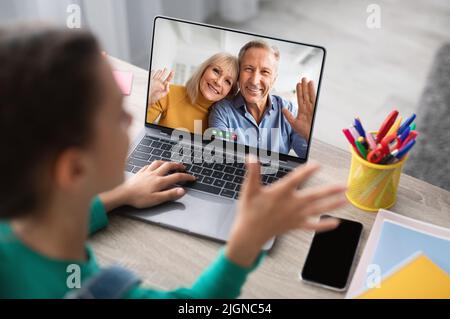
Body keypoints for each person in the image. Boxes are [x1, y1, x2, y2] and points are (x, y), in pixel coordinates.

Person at [0, 26, 347, 298]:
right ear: (74, 169)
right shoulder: (92, 290)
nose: (132, 121)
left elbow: (49, 225)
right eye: (119, 115)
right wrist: (244, 244)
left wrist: (120, 195)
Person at [209, 40, 316, 158]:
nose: (254, 81)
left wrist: (308, 135)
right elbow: (221, 156)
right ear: (238, 74)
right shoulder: (222, 111)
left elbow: (307, 157)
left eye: (265, 72)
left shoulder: (289, 111)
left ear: (274, 79)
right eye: (248, 69)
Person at [147, 53, 238, 133]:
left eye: (227, 81)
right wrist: (149, 100)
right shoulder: (168, 92)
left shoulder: (224, 119)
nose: (218, 82)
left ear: (230, 92)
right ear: (204, 70)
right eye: (216, 71)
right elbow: (140, 129)